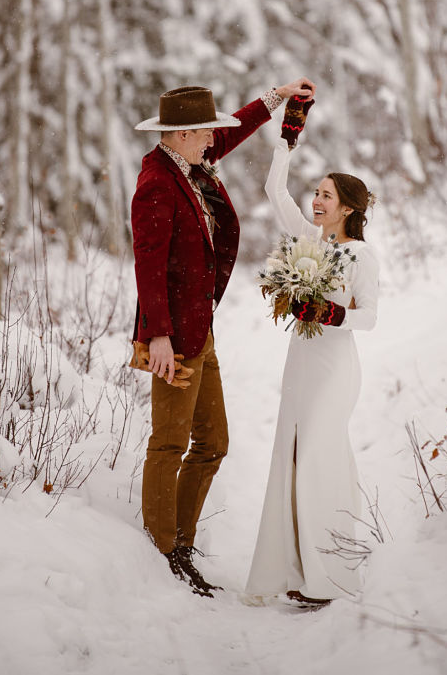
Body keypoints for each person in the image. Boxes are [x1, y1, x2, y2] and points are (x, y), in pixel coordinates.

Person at [131, 78, 316, 598]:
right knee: (169, 441)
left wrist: (276, 98)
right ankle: (160, 552)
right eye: (205, 130)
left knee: (213, 443)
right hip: (175, 337)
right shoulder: (157, 184)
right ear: (183, 134)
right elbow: (148, 266)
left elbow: (232, 134)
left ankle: (181, 543)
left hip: (199, 327)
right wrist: (159, 337)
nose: (214, 136)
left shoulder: (188, 162)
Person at [246, 94, 379, 608]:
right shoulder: (309, 239)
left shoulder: (361, 255)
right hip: (301, 366)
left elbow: (370, 316)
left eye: (326, 195)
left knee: (321, 461)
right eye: (316, 193)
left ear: (347, 207)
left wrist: (330, 314)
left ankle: (332, 577)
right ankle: (297, 572)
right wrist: (287, 136)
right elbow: (273, 189)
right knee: (293, 461)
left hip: (334, 370)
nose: (316, 201)